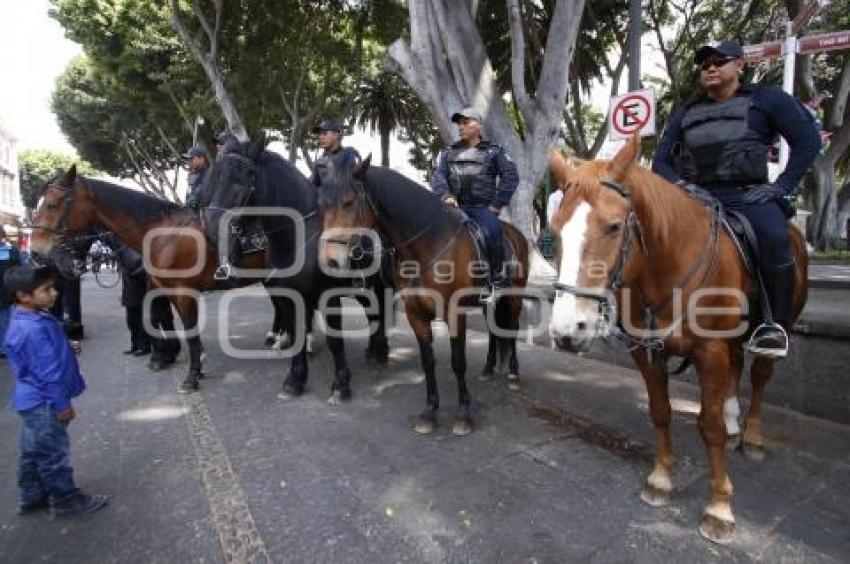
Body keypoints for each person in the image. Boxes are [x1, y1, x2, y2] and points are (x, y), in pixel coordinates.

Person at [652, 40, 821, 358]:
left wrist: (781, 186)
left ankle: (776, 325)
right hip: (696, 197)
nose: (710, 68)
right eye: (704, 65)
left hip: (748, 196)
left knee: (773, 235)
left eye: (719, 61)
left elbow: (808, 141)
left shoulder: (768, 99)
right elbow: (660, 162)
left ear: (740, 65)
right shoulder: (686, 112)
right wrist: (681, 185)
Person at [2, 265, 109, 518]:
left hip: (31, 402)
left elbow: (37, 356)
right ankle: (65, 499)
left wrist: (66, 346)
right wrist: (63, 405)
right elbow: (48, 373)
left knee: (31, 451)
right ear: (23, 296)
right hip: (45, 404)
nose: (54, 294)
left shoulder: (26, 317)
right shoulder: (33, 328)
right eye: (46, 290)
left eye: (53, 287)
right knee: (54, 455)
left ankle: (31, 495)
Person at [431, 107, 519, 303]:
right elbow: (438, 177)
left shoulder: (495, 151)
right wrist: (445, 195)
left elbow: (510, 177)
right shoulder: (447, 153)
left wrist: (496, 206)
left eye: (466, 122)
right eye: (459, 123)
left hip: (482, 208)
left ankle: (496, 280)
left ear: (478, 125)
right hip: (454, 208)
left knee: (494, 232)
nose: (461, 127)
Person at [311, 119, 360, 188]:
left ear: (336, 135)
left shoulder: (348, 153)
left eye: (325, 133)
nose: (320, 137)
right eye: (320, 134)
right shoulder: (318, 163)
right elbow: (314, 187)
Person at [0, 226, 22, 356]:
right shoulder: (11, 252)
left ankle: (5, 347)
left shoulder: (11, 252)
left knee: (5, 320)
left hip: (6, 293)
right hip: (6, 293)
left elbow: (17, 271)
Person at [183, 145, 210, 210]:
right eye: (188, 159)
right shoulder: (193, 173)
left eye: (192, 159)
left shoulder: (210, 174)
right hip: (191, 212)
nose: (189, 162)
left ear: (202, 159)